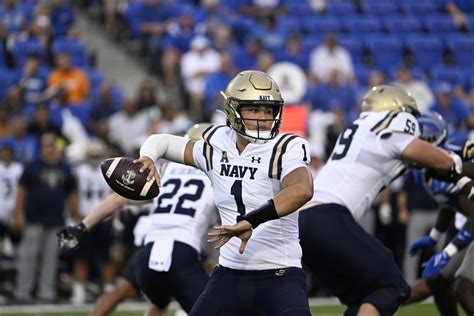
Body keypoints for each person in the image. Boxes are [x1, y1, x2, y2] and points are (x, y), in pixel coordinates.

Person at [136, 70, 313, 315]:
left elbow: (302, 190)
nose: (263, 118)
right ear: (233, 110)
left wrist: (250, 221)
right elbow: (162, 141)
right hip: (230, 275)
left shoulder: (285, 146)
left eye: (269, 110)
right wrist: (148, 157)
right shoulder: (216, 143)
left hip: (280, 274)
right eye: (253, 109)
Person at [298, 85, 472, 316]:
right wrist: (457, 161)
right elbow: (432, 158)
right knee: (391, 286)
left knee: (365, 298)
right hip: (329, 217)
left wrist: (457, 160)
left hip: (303, 220)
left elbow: (415, 160)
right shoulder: (393, 125)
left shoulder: (361, 128)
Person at [58, 123, 216, 315]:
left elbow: (118, 199)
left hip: (147, 253)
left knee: (157, 302)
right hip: (182, 252)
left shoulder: (166, 169)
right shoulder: (216, 175)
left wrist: (83, 226)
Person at [404, 112, 474, 315]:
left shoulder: (448, 165)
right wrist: (434, 236)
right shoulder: (423, 171)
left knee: (464, 286)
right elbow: (450, 201)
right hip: (469, 225)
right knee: (437, 282)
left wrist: (448, 252)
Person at [14, 132, 80, 303]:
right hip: (33, 219)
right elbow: (21, 191)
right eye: (47, 145)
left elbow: (72, 191)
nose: (50, 149)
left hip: (56, 219)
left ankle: (46, 293)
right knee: (29, 257)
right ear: (41, 147)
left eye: (53, 145)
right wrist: (19, 213)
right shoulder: (32, 166)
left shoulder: (65, 167)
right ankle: (23, 293)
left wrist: (75, 211)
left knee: (50, 259)